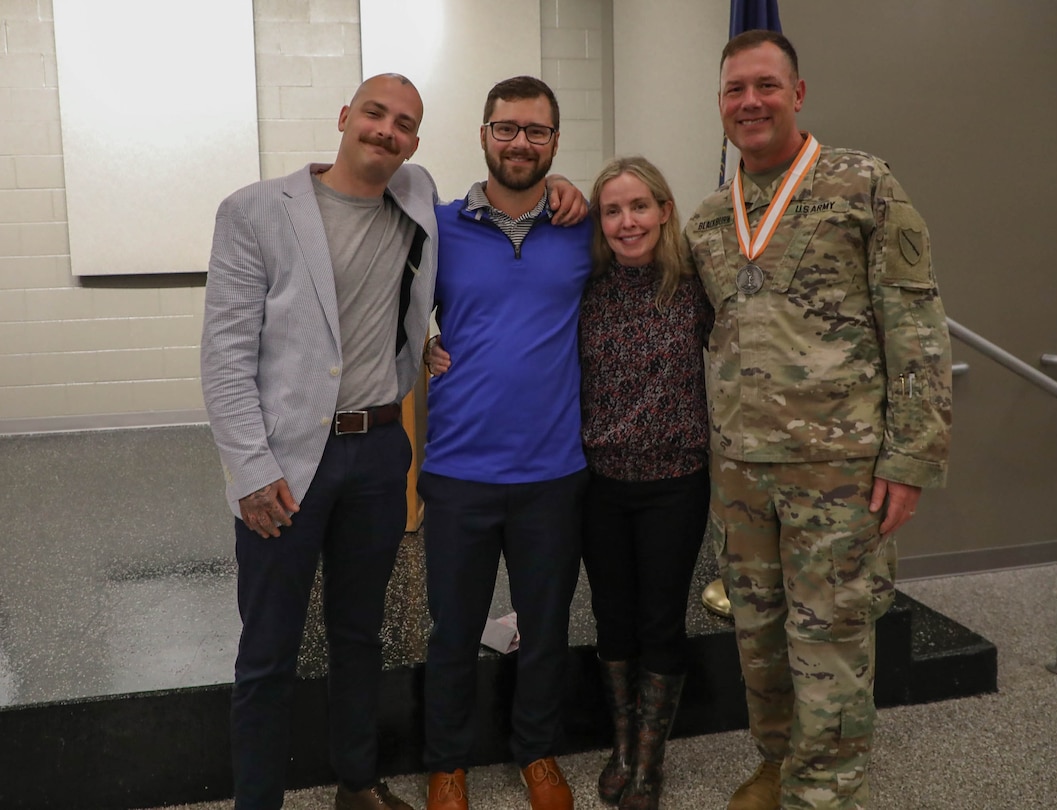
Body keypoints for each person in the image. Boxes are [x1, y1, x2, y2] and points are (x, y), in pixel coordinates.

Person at [201, 73, 585, 810]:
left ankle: (358, 784)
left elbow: (503, 220)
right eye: (374, 113)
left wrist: (561, 185)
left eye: (403, 122)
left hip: (381, 454)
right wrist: (248, 468)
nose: (386, 130)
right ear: (345, 116)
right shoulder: (262, 211)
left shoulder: (417, 203)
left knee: (360, 635)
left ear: (415, 141)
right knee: (268, 649)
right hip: (289, 463)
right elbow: (223, 355)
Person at [684, 30, 952, 810]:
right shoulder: (708, 220)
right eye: (736, 90)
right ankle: (778, 762)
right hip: (739, 471)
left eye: (766, 86)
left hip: (838, 473)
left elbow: (915, 323)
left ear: (798, 93)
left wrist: (911, 456)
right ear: (723, 105)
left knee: (830, 641)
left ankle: (823, 792)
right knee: (760, 639)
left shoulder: (862, 183)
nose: (751, 102)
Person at [417, 76, 593, 810]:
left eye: (537, 131)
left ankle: (538, 754)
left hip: (554, 472)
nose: (521, 142)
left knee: (545, 630)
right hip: (458, 469)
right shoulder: (435, 228)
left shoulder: (583, 230)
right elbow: (380, 310)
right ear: (483, 134)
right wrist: (421, 345)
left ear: (556, 141)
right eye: (507, 128)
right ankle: (447, 762)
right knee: (453, 631)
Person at [579, 156, 713, 810]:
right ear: (600, 223)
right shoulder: (586, 287)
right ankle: (624, 744)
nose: (627, 221)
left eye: (639, 207)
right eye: (613, 210)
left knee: (661, 620)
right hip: (600, 485)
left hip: (676, 483)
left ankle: (651, 765)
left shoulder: (697, 287)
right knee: (612, 619)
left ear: (664, 210)